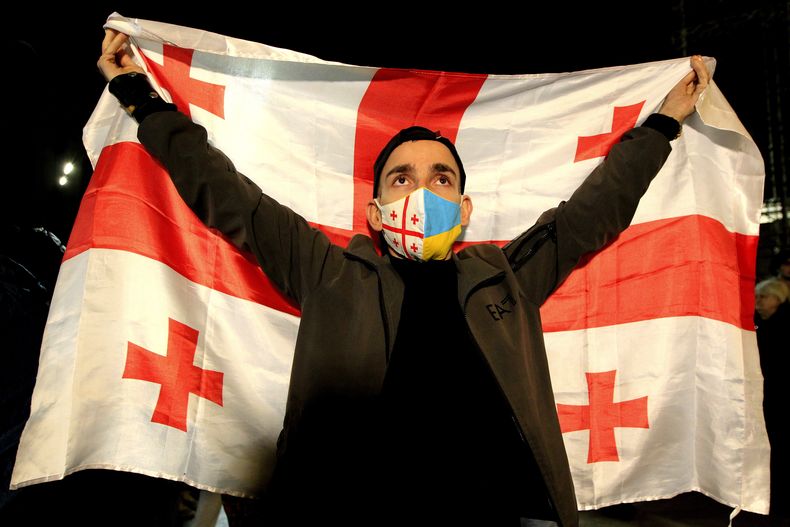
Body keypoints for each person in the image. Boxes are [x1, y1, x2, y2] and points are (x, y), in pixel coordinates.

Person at [97, 28, 709, 527]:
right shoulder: (327, 272)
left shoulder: (507, 277)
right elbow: (226, 193)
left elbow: (592, 211)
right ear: (374, 212)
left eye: (442, 179)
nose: (421, 192)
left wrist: (663, 123)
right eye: (401, 178)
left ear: (464, 210)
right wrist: (139, 96)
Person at [754, 278, 790, 525]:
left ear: (778, 299)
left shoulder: (781, 328)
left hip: (779, 400)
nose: (758, 302)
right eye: (756, 297)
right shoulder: (761, 324)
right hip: (767, 398)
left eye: (763, 297)